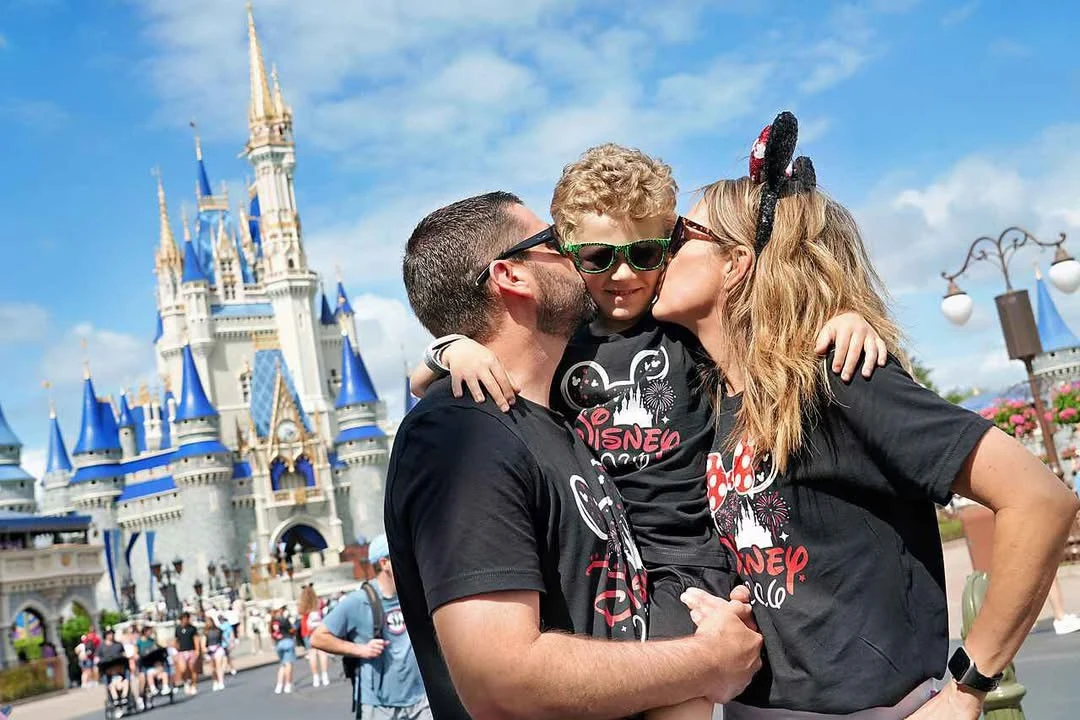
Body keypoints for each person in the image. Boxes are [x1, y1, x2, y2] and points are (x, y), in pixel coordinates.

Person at [409, 148, 885, 720]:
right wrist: (451, 348)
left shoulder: (680, 327)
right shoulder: (561, 341)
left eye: (645, 253)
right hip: (613, 568)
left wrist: (845, 315)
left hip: (691, 562)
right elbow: (429, 381)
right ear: (568, 254)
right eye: (596, 257)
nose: (623, 274)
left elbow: (775, 321)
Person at [649, 110, 1080, 718]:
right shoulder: (711, 395)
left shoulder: (839, 376)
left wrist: (966, 689)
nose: (658, 256)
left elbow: (1040, 501)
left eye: (678, 238)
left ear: (736, 262)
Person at [388, 191, 767, 720]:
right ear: (511, 276)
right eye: (553, 242)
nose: (572, 251)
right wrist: (709, 661)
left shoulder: (555, 426)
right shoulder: (460, 434)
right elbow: (500, 681)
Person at [312, 534, 429, 719]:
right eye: (400, 555)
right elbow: (318, 637)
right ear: (384, 563)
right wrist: (360, 649)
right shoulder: (359, 601)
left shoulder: (414, 594)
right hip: (379, 705)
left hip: (421, 700)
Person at [298, 585, 330, 688]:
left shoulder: (302, 604)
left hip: (307, 631)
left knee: (312, 654)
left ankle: (316, 677)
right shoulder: (318, 602)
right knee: (322, 653)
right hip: (319, 629)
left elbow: (300, 613)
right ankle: (325, 676)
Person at [98, 629, 131, 714]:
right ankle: (115, 700)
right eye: (109, 634)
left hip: (120, 668)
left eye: (112, 633)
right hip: (108, 670)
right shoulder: (101, 647)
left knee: (126, 682)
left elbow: (124, 655)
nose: (111, 635)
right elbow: (97, 658)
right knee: (111, 685)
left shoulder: (118, 645)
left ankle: (124, 697)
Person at [270, 604, 297, 694]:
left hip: (278, 643)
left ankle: (279, 685)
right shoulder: (284, 620)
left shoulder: (272, 621)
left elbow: (271, 633)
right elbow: (291, 630)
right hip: (287, 640)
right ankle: (288, 684)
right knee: (288, 664)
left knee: (282, 664)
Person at [173, 611, 200, 696]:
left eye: (187, 618)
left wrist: (197, 650)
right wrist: (176, 650)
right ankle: (186, 682)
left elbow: (196, 639)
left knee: (192, 669)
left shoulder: (192, 628)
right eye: (184, 618)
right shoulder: (178, 629)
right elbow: (176, 640)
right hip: (181, 652)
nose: (185, 620)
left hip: (191, 650)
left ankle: (194, 685)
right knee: (183, 669)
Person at [203, 614, 228, 691]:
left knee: (218, 666)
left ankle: (221, 682)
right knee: (212, 668)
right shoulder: (206, 632)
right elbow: (203, 643)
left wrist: (226, 644)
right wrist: (205, 650)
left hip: (218, 648)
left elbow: (223, 639)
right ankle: (215, 681)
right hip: (210, 649)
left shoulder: (218, 630)